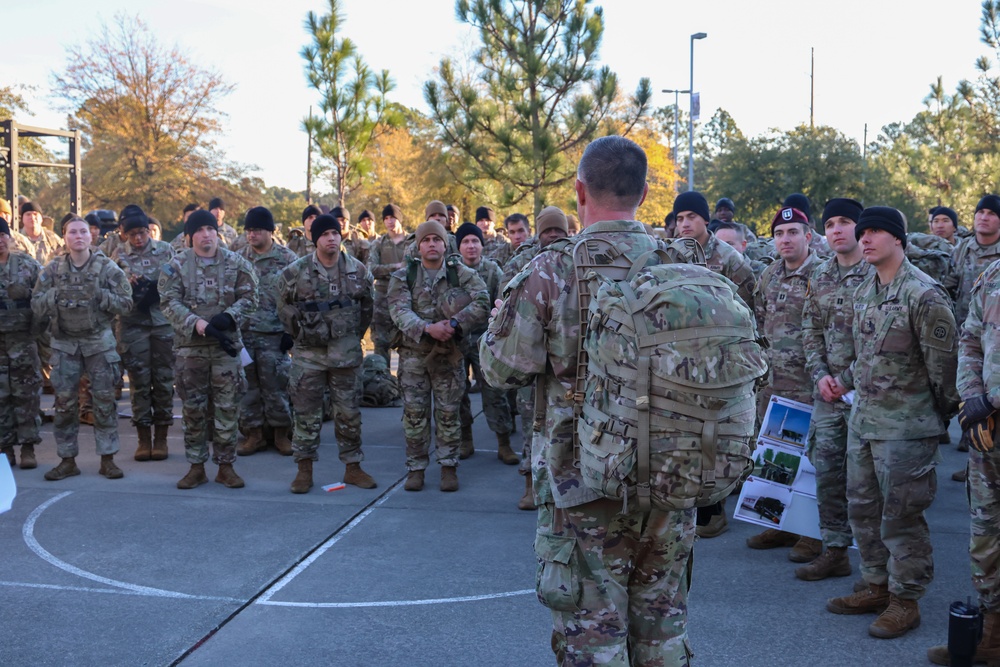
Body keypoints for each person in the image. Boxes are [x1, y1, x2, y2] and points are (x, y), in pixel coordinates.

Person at [480, 135, 696, 666]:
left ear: (578, 190)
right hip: (671, 473)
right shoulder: (685, 267)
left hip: (583, 484)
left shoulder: (549, 271)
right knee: (662, 634)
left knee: (593, 641)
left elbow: (500, 369)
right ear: (645, 194)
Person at [825, 206, 959, 639]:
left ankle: (906, 600)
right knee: (863, 510)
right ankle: (876, 585)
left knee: (901, 518)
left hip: (907, 429)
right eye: (862, 232)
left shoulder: (924, 295)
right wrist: (840, 382)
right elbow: (866, 357)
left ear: (899, 239)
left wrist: (935, 417)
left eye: (876, 232)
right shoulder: (866, 288)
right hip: (864, 421)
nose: (865, 239)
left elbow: (946, 371)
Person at [927, 254, 1000, 664]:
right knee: (986, 532)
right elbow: (970, 337)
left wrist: (991, 399)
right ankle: (992, 633)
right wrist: (973, 396)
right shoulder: (992, 273)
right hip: (989, 429)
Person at [797, 198, 872, 581]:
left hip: (870, 396)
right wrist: (821, 376)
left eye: (845, 222)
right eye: (830, 224)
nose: (837, 230)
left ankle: (880, 569)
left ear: (861, 228)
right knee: (826, 471)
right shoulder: (821, 275)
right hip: (828, 396)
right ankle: (836, 549)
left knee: (867, 483)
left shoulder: (877, 273)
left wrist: (846, 380)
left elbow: (883, 343)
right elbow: (809, 330)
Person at [159, 210, 259, 489]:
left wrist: (229, 316)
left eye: (210, 228)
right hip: (191, 350)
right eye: (200, 229)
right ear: (190, 235)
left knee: (228, 408)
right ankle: (196, 466)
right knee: (194, 410)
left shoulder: (236, 263)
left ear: (217, 232)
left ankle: (226, 466)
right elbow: (168, 302)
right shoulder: (175, 266)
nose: (206, 234)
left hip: (225, 349)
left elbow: (252, 296)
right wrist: (198, 323)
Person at [277, 213, 377, 493]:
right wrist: (299, 332)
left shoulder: (358, 271)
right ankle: (304, 470)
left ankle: (353, 467)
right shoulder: (295, 272)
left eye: (335, 233)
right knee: (306, 413)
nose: (331, 238)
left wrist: (352, 337)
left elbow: (367, 309)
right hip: (309, 356)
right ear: (315, 240)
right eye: (324, 234)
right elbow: (282, 305)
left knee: (349, 413)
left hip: (345, 355)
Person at [388, 217, 488, 492]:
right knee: (414, 415)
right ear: (418, 246)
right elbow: (398, 310)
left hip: (449, 354)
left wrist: (455, 324)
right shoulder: (403, 276)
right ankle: (416, 468)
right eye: (426, 240)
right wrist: (428, 328)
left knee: (448, 413)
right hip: (413, 357)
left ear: (445, 245)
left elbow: (482, 299)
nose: (431, 244)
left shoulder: (460, 273)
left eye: (437, 240)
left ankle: (448, 466)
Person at [32, 217, 132, 480]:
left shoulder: (107, 268)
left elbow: (126, 304)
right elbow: (36, 305)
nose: (78, 236)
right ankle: (67, 460)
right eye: (72, 232)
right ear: (64, 237)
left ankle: (108, 459)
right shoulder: (52, 270)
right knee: (64, 404)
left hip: (98, 343)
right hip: (65, 345)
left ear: (91, 237)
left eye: (83, 232)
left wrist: (102, 296)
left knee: (104, 403)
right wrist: (54, 295)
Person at [110, 205, 176, 462]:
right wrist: (128, 288)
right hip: (132, 324)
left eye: (142, 232)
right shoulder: (118, 255)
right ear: (123, 234)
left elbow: (176, 282)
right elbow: (110, 286)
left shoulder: (166, 250)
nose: (138, 239)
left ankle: (161, 438)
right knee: (138, 382)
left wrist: (156, 290)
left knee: (162, 380)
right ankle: (143, 439)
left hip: (162, 324)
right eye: (132, 234)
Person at [236, 207, 298, 457]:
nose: (252, 235)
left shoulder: (287, 259)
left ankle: (282, 433)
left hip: (275, 335)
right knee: (248, 386)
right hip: (245, 333)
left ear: (270, 231)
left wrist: (291, 332)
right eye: (249, 230)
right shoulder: (238, 258)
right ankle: (254, 434)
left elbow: (299, 297)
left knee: (276, 385)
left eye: (257, 230)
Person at [453, 221, 516, 464]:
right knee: (458, 393)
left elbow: (503, 303)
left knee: (495, 393)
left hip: (485, 342)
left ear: (482, 245)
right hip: (457, 343)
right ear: (459, 247)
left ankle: (504, 443)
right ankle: (465, 440)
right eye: (466, 242)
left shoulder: (493, 271)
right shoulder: (452, 273)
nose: (471, 246)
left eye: (475, 241)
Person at [0, 216, 43, 469]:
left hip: (23, 340)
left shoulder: (28, 265)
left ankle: (28, 447)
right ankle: (5, 449)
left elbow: (44, 299)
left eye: (2, 235)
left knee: (27, 393)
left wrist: (27, 296)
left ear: (9, 237)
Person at [672, 191, 755, 309]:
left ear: (706, 219)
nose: (685, 224)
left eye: (691, 217)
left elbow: (747, 306)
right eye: (680, 219)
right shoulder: (670, 254)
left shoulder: (729, 257)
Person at [368, 204, 407, 364]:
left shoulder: (412, 242)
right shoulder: (379, 244)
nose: (390, 221)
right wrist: (397, 267)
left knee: (408, 342)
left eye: (393, 217)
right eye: (386, 218)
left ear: (400, 219)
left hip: (406, 296)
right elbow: (372, 269)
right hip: (382, 297)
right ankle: (381, 378)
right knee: (381, 342)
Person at [953, 195, 1000, 328]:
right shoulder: (961, 250)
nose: (984, 218)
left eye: (992, 213)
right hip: (962, 335)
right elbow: (948, 290)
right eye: (980, 212)